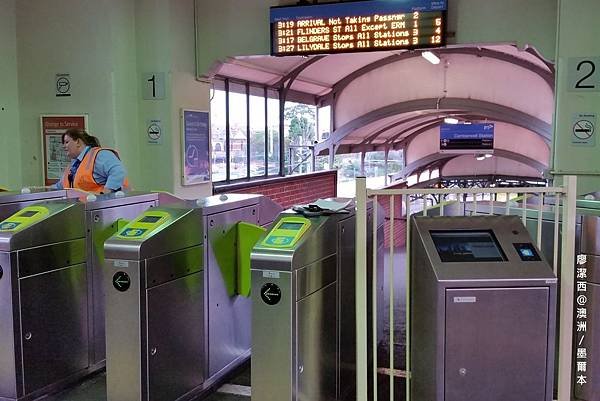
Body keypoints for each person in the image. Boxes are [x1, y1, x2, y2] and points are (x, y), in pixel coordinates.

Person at [53, 128, 129, 193]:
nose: (64, 146)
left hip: (107, 207)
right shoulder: (73, 165)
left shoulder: (99, 155)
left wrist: (105, 195)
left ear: (78, 142)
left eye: (67, 142)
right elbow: (60, 186)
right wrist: (44, 192)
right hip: (85, 207)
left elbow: (118, 172)